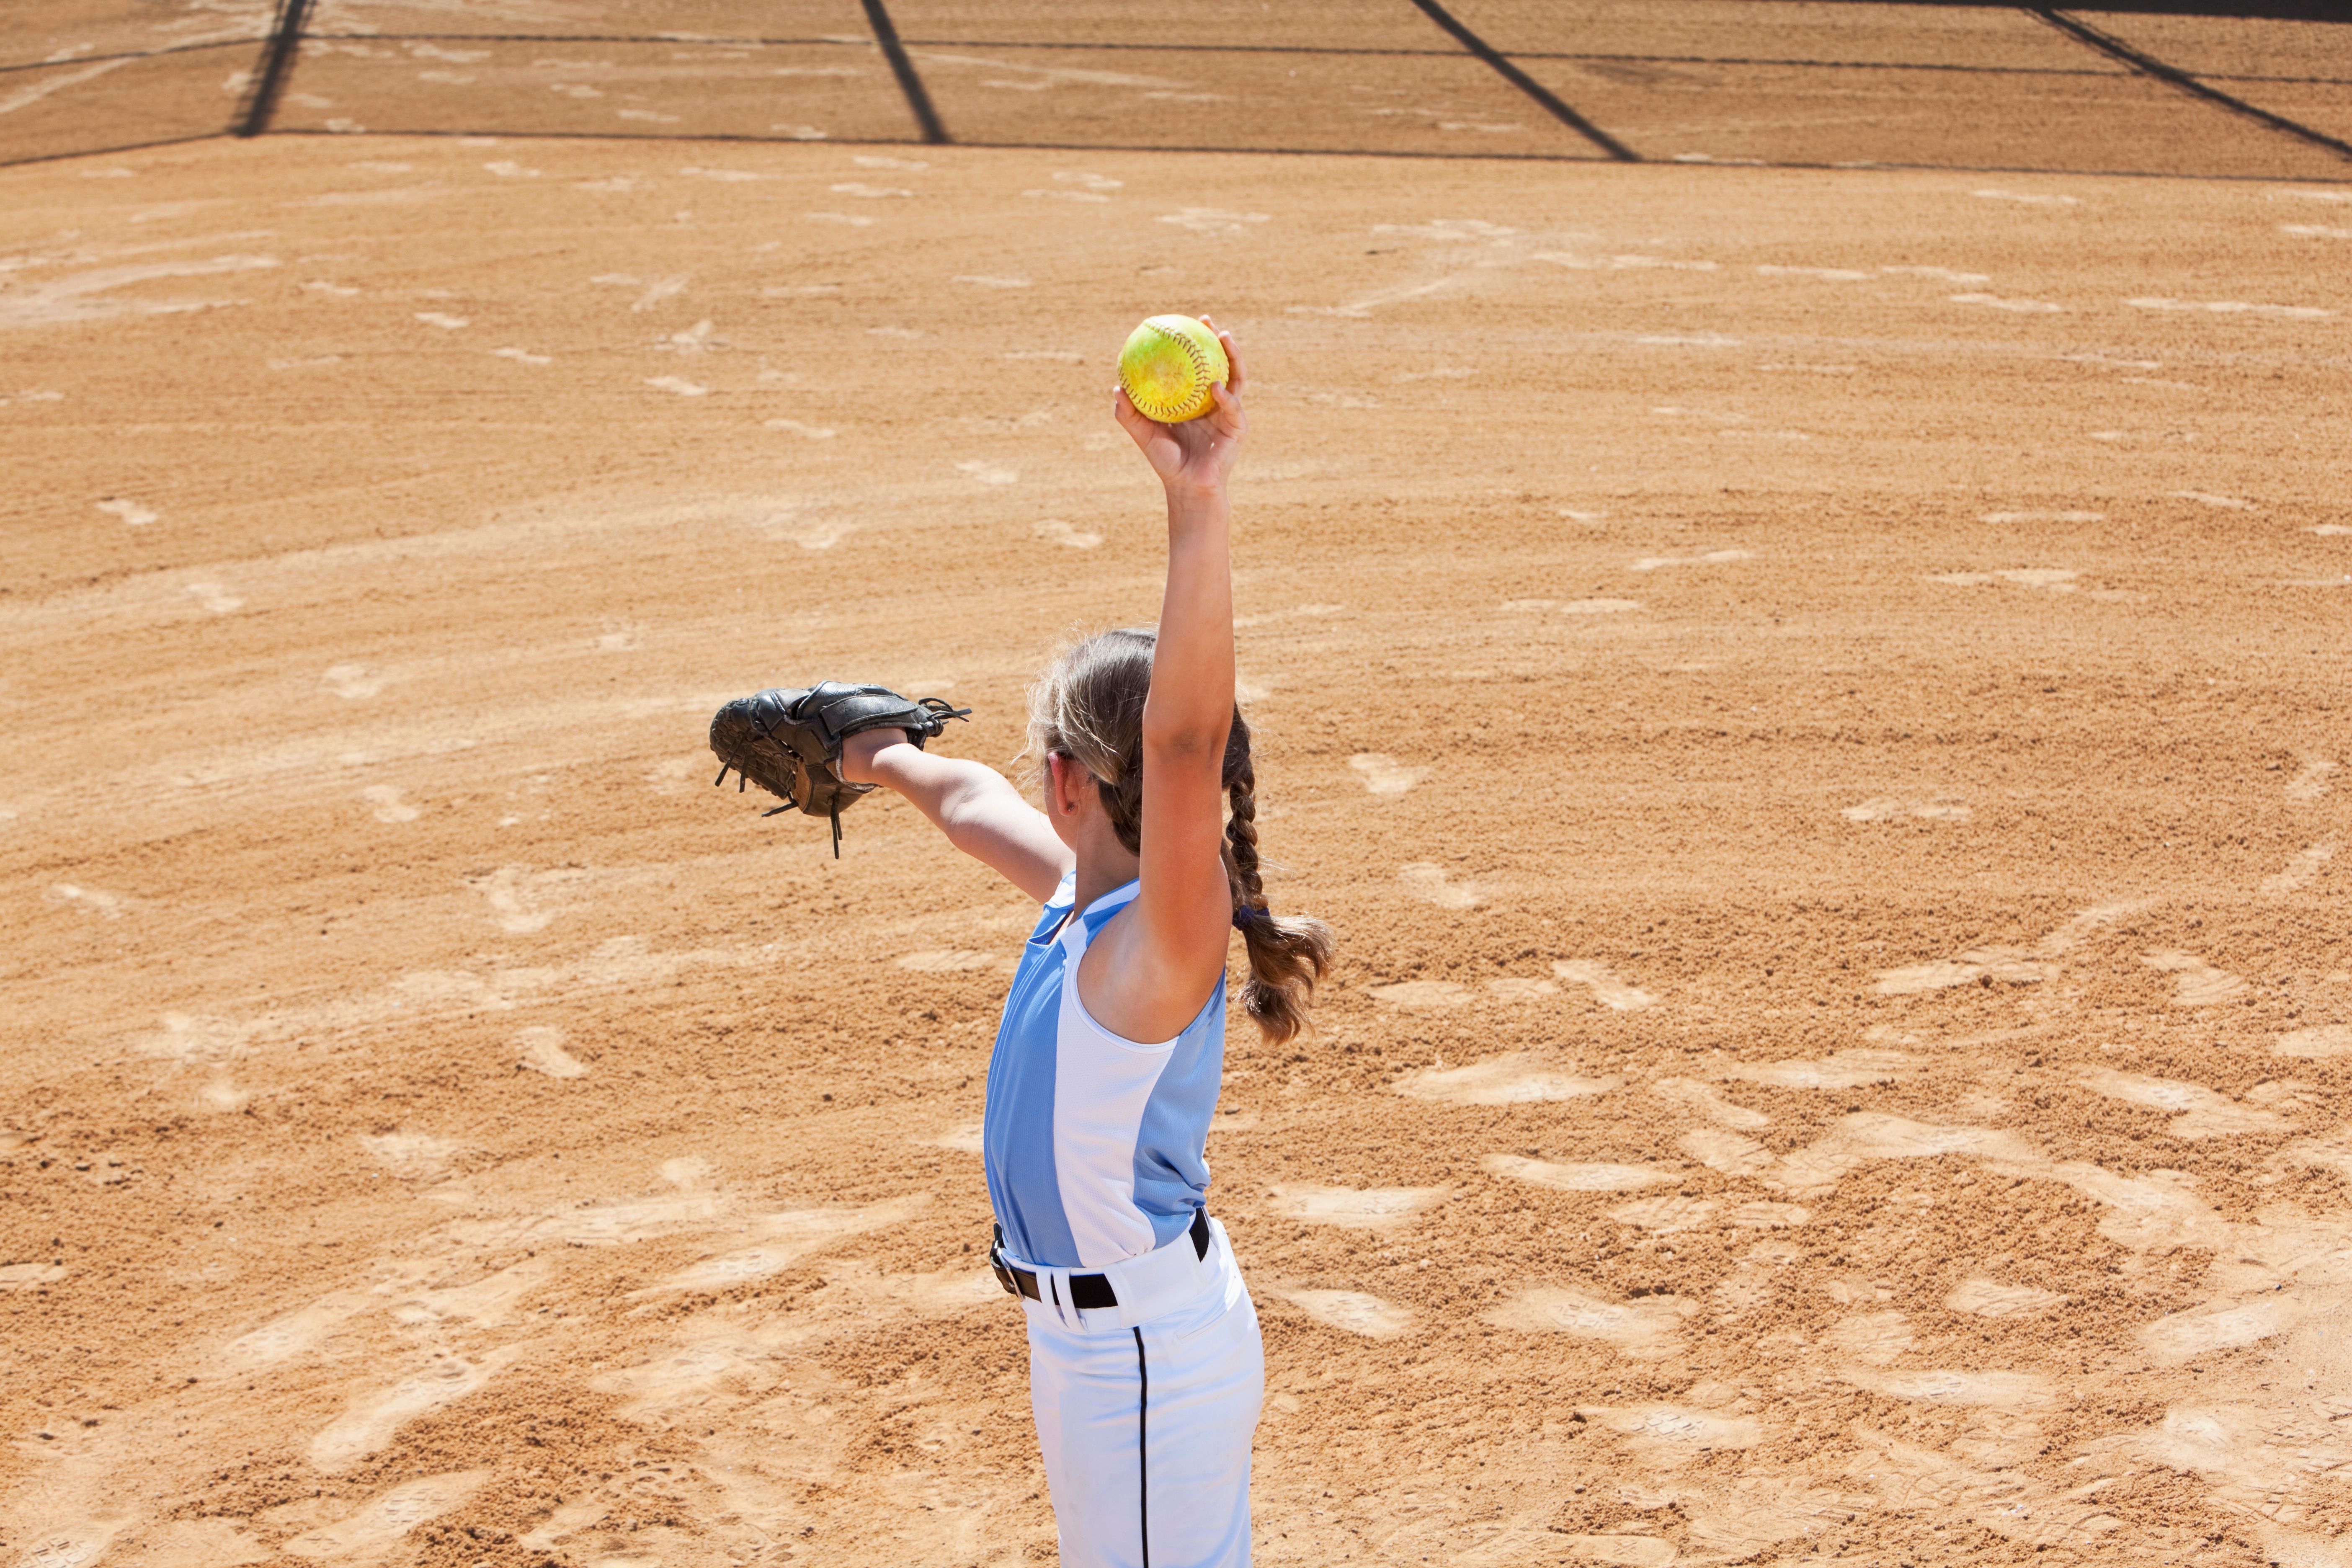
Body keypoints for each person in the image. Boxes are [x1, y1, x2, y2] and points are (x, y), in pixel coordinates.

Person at [839, 319, 1332, 1568]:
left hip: (1141, 1360)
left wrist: (1197, 499)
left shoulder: (1160, 947)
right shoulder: (1086, 901)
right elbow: (965, 800)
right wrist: (875, 757)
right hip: (1099, 1348)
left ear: (1066, 777)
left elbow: (1182, 741)